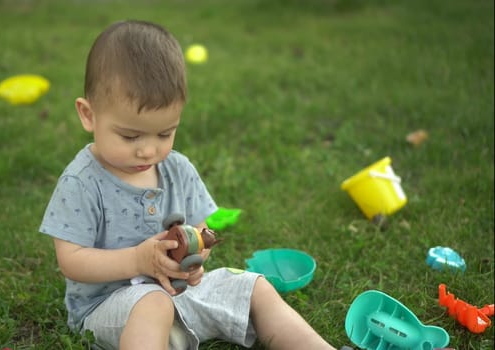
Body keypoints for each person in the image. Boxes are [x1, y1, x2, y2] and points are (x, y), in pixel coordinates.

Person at [39, 19, 336, 350]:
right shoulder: (82, 182)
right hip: (111, 307)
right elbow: (73, 261)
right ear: (88, 115)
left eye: (164, 133)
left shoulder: (177, 169)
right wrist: (138, 261)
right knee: (153, 305)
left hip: (180, 293)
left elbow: (199, 232)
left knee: (253, 287)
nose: (149, 150)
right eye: (129, 135)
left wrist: (195, 261)